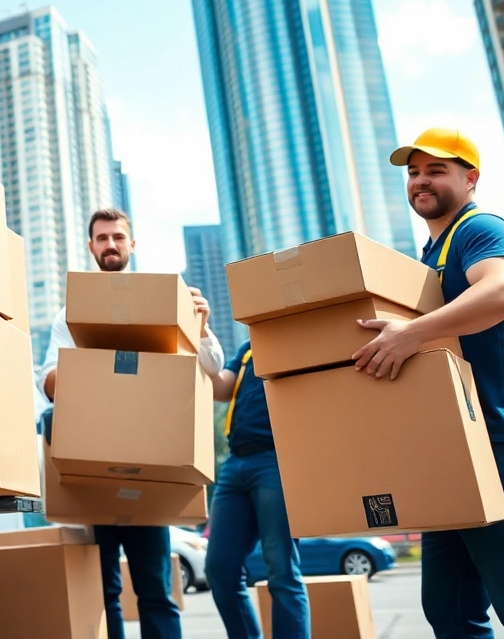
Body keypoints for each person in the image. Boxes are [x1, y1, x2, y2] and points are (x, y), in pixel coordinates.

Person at [353, 127, 504, 639]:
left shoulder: (482, 230)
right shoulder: (430, 254)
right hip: (452, 447)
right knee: (450, 610)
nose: (420, 181)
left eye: (436, 170)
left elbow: (502, 292)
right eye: (413, 172)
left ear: (470, 177)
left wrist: (409, 334)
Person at [36, 208, 226, 639]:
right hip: (92, 467)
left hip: (150, 466)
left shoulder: (167, 300)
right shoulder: (71, 312)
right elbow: (48, 382)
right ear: (91, 247)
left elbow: (212, 366)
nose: (110, 245)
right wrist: (98, 369)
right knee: (104, 593)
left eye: (118, 237)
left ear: (131, 244)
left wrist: (200, 323)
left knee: (156, 592)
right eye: (102, 239)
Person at [206, 342, 310, 638]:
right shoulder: (249, 346)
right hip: (235, 462)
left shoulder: (298, 333)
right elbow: (219, 388)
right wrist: (199, 337)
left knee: (281, 571)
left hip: (277, 458)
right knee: (219, 569)